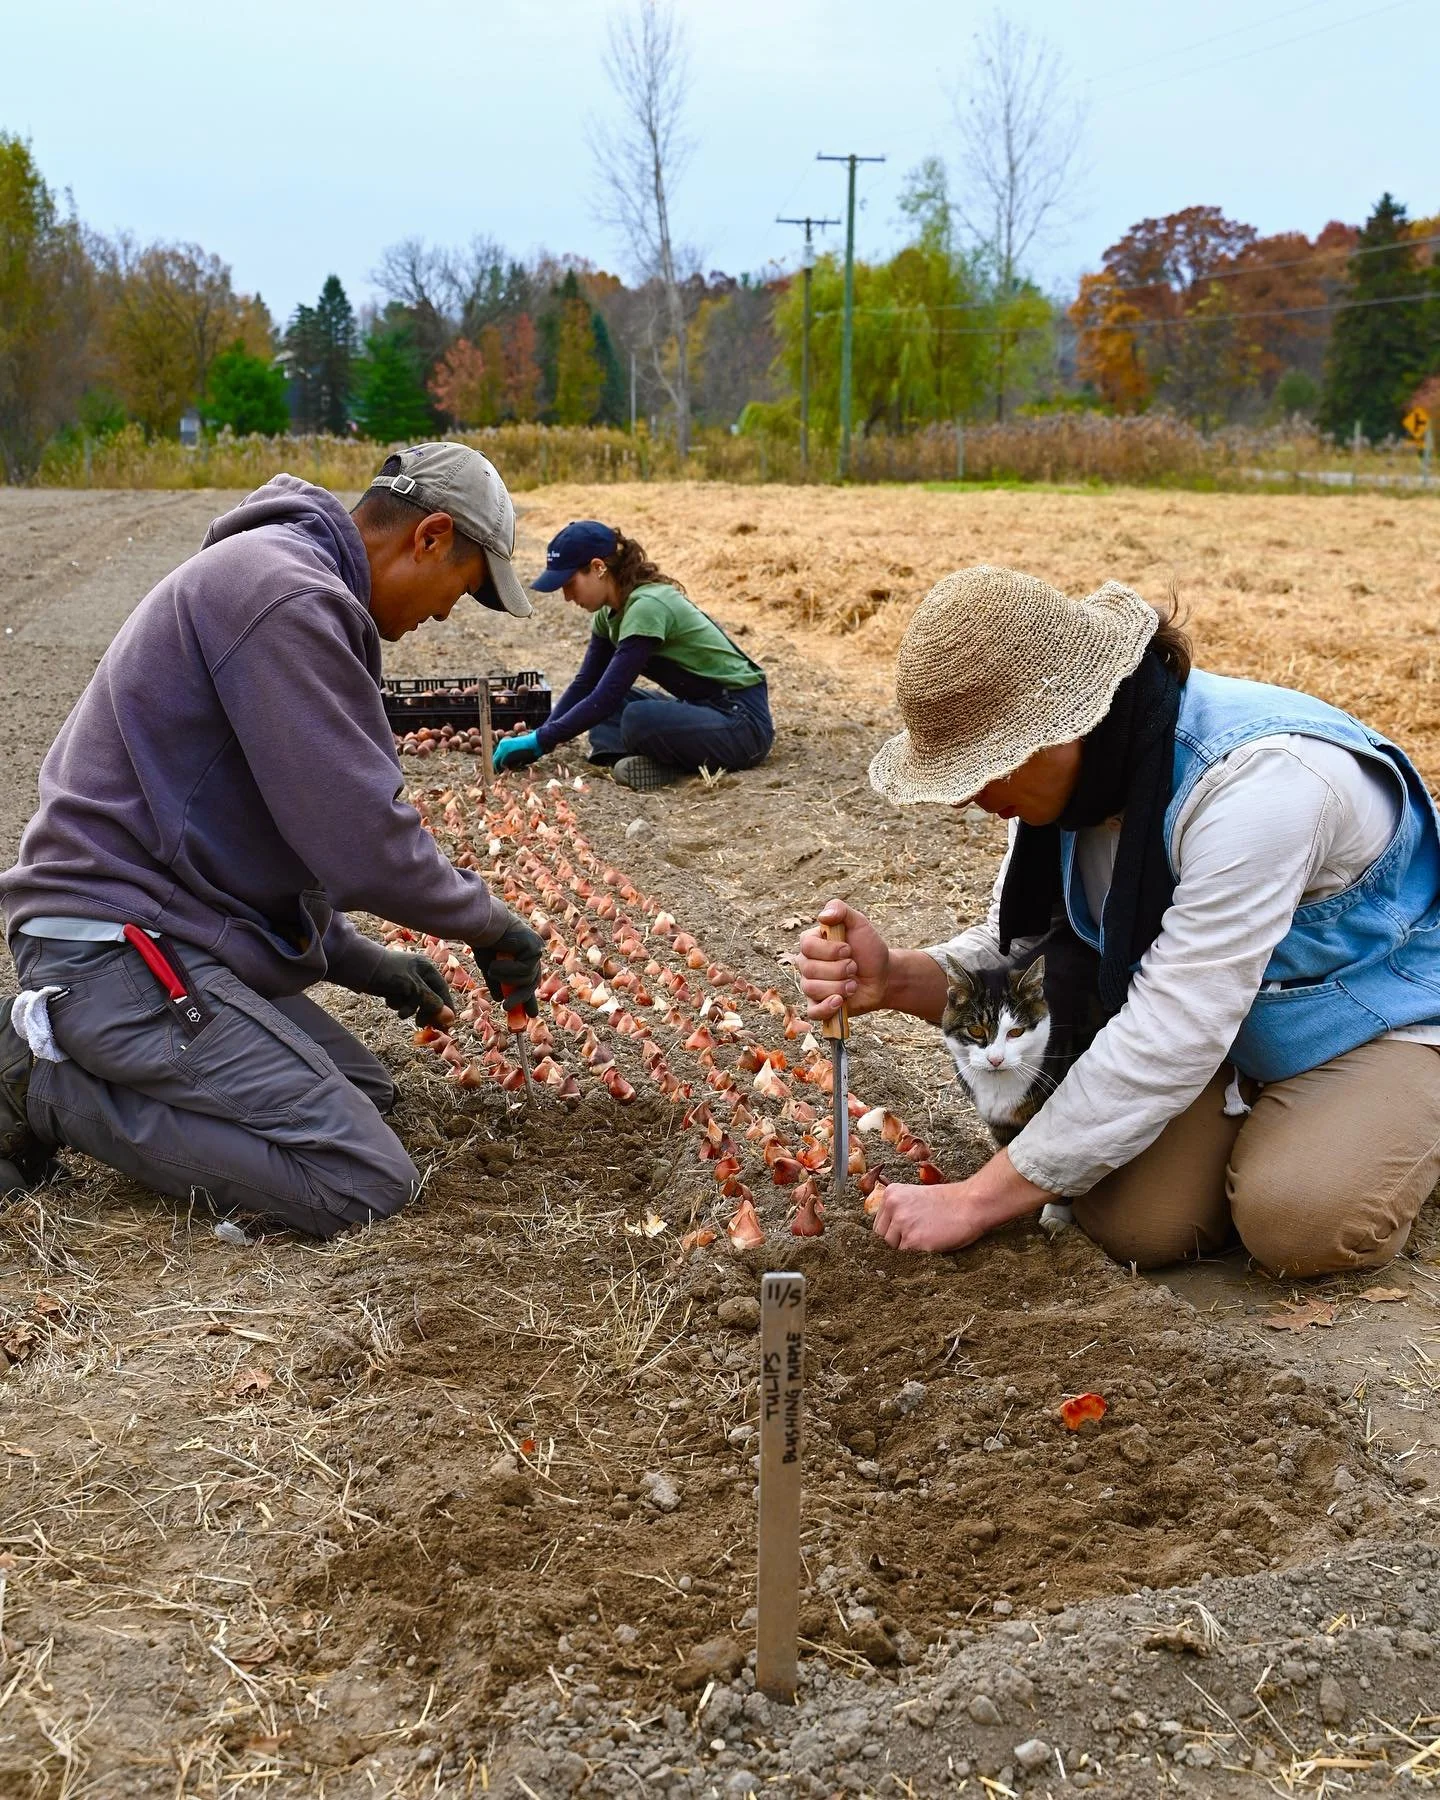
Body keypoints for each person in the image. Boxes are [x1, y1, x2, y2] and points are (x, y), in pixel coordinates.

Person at [797, 564, 1440, 1279]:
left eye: (982, 767)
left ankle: (1390, 1115)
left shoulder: (1260, 786)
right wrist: (892, 978)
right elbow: (1029, 951)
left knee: (1297, 1220)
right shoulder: (1073, 787)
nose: (963, 799)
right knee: (1136, 1223)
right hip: (1234, 1028)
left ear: (1063, 726)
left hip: (1378, 1018)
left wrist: (977, 1200)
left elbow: (1175, 1028)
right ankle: (1274, 1122)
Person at [0, 443, 546, 1238]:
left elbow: (258, 841)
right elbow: (363, 844)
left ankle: (97, 1064)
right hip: (115, 946)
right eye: (459, 592)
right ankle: (42, 1086)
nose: (442, 615)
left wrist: (365, 962)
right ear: (429, 536)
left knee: (367, 1097)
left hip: (163, 934)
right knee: (361, 1181)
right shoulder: (284, 595)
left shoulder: (283, 580)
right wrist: (489, 923)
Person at [490, 520, 774, 792]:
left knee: (636, 717)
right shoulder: (609, 613)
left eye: (569, 583)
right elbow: (585, 684)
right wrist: (540, 734)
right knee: (609, 709)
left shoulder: (647, 607)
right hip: (704, 707)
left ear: (598, 567)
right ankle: (650, 756)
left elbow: (607, 694)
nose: (566, 596)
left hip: (744, 722)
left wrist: (541, 741)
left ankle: (672, 767)